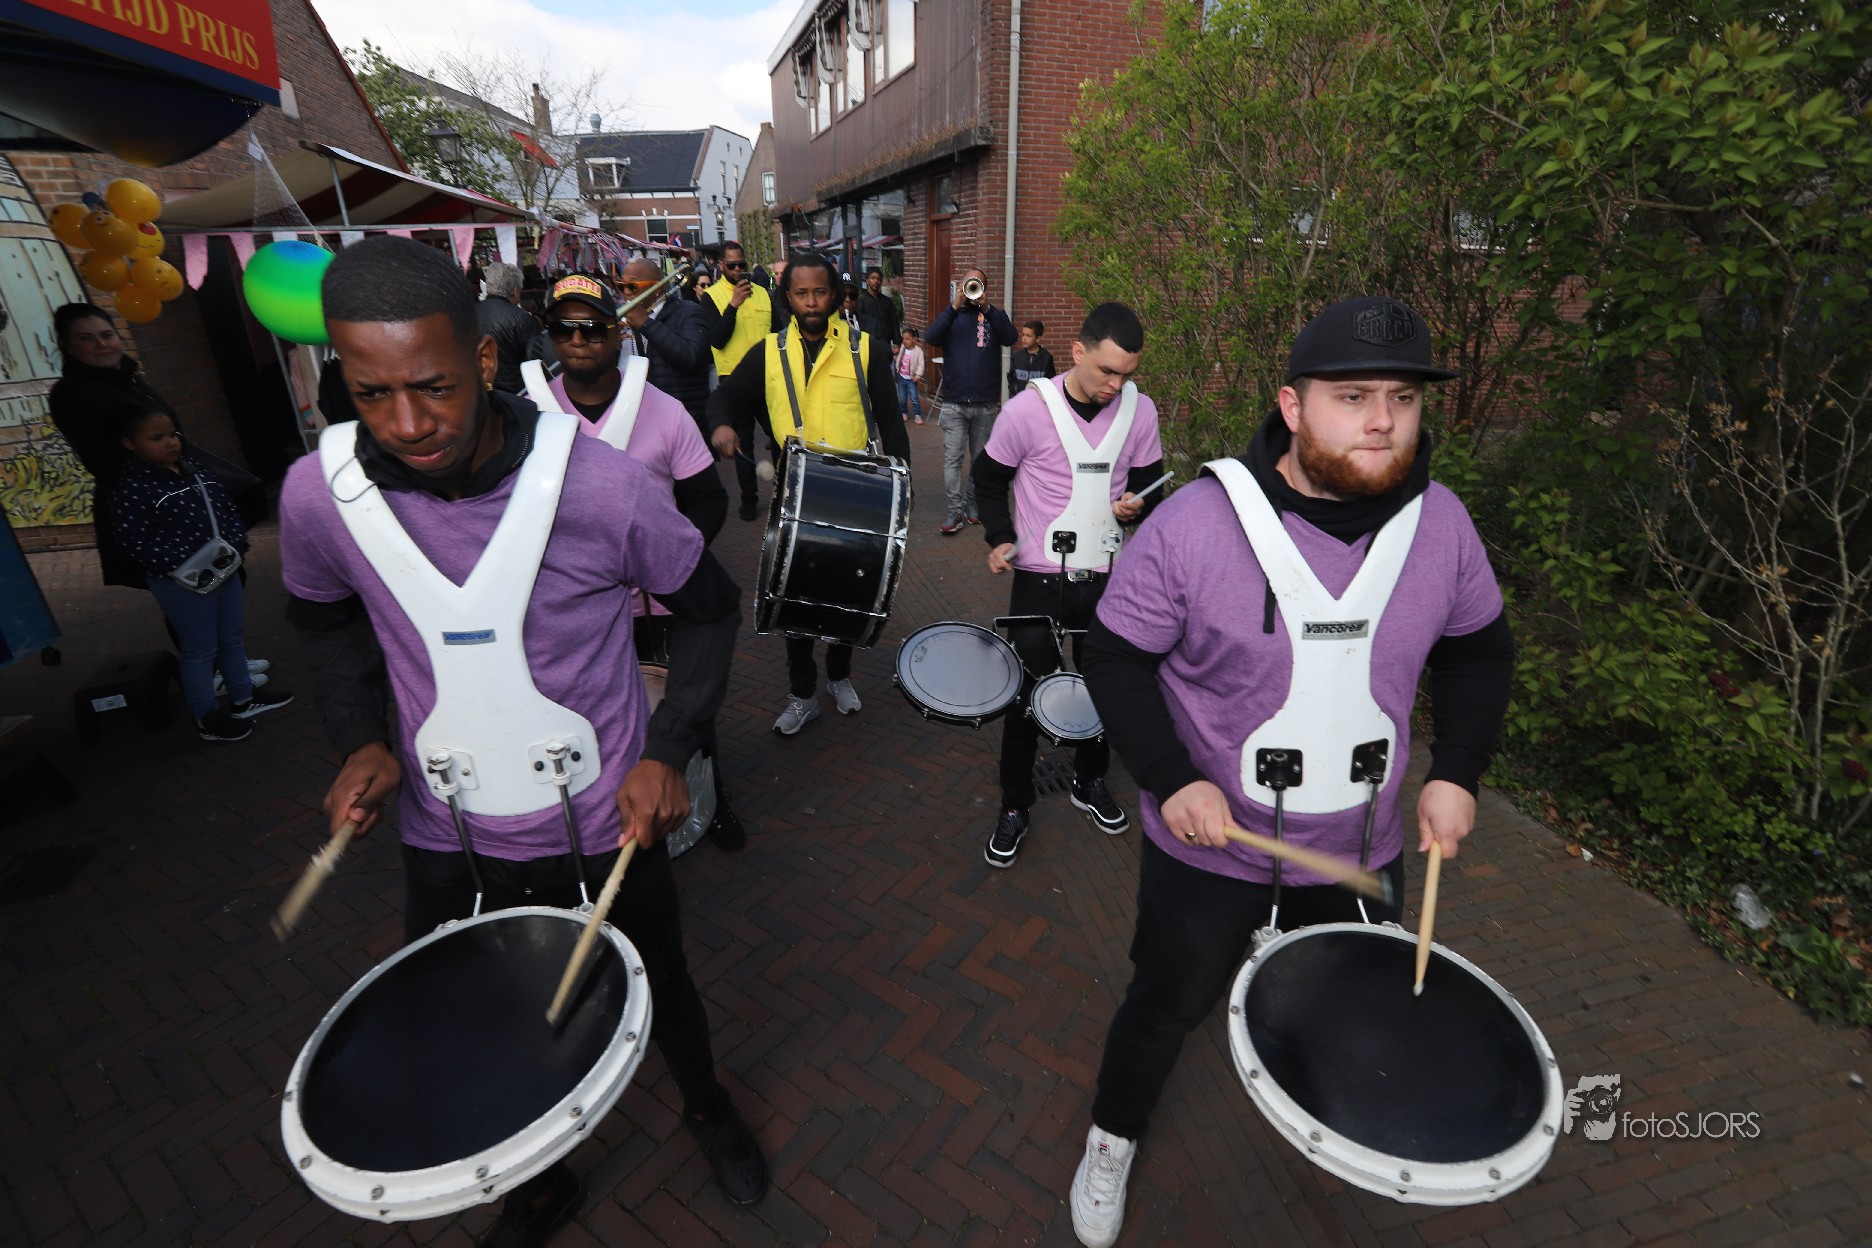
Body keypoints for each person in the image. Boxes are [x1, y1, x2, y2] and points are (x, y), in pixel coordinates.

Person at [280, 237, 768, 1246]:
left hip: (604, 822)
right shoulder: (317, 497)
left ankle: (707, 1106)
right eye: (371, 394)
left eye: (433, 387)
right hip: (445, 831)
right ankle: (537, 1185)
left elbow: (711, 607)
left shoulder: (602, 488)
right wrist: (358, 739)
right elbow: (325, 623)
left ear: (484, 359)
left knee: (663, 984)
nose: (406, 423)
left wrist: (670, 746)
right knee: (476, 1016)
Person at [1063, 296, 1514, 1248]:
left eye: (1403, 398)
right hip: (1209, 852)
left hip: (1359, 850)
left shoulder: (1442, 526)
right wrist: (1169, 774)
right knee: (1166, 1005)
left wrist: (1458, 771)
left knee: (1345, 1009)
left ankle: (1325, 1118)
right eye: (1353, 397)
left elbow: (1478, 650)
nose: (1382, 421)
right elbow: (1113, 656)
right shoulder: (1196, 524)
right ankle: (1113, 1134)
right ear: (1293, 405)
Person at [528, 271, 748, 851]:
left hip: (660, 603)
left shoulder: (665, 411)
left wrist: (668, 564)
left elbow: (707, 499)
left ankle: (712, 801)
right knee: (587, 715)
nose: (579, 340)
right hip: (574, 611)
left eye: (593, 328)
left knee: (687, 705)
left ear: (617, 331)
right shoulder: (528, 415)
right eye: (564, 329)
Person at [972, 303, 1165, 869]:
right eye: (1107, 370)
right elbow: (988, 479)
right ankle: (1015, 803)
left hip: (1108, 578)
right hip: (1039, 579)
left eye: (1127, 374)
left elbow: (1152, 488)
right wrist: (1000, 536)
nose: (1116, 385)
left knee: (1102, 687)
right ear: (1078, 352)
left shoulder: (1140, 411)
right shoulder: (1027, 411)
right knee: (1026, 694)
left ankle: (1089, 779)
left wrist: (1136, 506)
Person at [705, 251, 910, 735]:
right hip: (793, 493)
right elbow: (723, 397)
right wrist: (720, 425)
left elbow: (892, 425)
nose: (812, 301)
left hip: (856, 492)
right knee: (792, 598)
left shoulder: (865, 349)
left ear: (835, 296)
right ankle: (802, 695)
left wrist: (903, 493)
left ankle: (839, 675)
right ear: (788, 297)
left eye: (820, 292)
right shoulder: (769, 352)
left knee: (848, 592)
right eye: (801, 293)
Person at [109, 407, 294, 741]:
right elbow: (132, 541)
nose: (170, 443)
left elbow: (226, 507)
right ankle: (205, 716)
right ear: (129, 443)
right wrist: (183, 564)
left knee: (231, 637)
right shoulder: (134, 487)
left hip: (224, 568)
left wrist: (236, 543)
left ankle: (243, 698)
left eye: (173, 434)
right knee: (199, 649)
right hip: (182, 582)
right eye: (156, 438)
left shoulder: (195, 470)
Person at [698, 240, 788, 521]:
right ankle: (749, 500)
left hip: (767, 378)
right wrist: (733, 305)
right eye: (732, 265)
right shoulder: (711, 297)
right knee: (743, 443)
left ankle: (783, 496)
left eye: (742, 265)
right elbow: (717, 339)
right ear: (721, 265)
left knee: (780, 437)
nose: (738, 270)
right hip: (734, 383)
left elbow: (778, 333)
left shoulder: (762, 294)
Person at [924, 266, 1017, 534]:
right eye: (968, 283)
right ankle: (954, 509)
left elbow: (1010, 337)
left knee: (980, 460)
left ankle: (972, 503)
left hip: (985, 403)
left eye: (977, 284)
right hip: (954, 402)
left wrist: (988, 309)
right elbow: (931, 337)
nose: (971, 289)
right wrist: (954, 307)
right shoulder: (951, 315)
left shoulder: (993, 315)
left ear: (984, 289)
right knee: (952, 459)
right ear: (960, 286)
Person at [617, 257, 713, 435]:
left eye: (632, 286)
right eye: (620, 287)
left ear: (657, 288)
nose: (626, 293)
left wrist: (646, 324)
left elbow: (692, 357)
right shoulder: (623, 319)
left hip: (684, 421)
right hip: (641, 420)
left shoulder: (689, 312)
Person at [476, 262, 540, 395]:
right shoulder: (521, 317)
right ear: (516, 291)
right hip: (516, 393)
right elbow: (534, 361)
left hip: (478, 390)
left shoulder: (468, 313)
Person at [1007, 319, 1056, 396]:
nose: (1024, 338)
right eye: (1023, 335)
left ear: (1038, 339)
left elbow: (1050, 380)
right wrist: (1016, 389)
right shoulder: (1017, 357)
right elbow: (1011, 378)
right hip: (1020, 399)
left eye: (1028, 336)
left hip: (1038, 400)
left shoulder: (1046, 358)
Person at [856, 266, 900, 345]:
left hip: (885, 344)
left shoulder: (887, 302)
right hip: (868, 344)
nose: (876, 281)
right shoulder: (861, 301)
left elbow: (894, 323)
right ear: (867, 281)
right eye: (873, 278)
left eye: (878, 278)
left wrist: (897, 342)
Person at [895, 327, 926, 424]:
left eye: (907, 339)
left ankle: (917, 415)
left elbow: (921, 364)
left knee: (914, 398)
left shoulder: (918, 351)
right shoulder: (902, 347)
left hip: (912, 379)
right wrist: (895, 355)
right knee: (902, 398)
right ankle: (904, 412)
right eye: (903, 339)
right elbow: (898, 359)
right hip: (901, 377)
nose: (905, 341)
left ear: (913, 339)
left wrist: (918, 375)